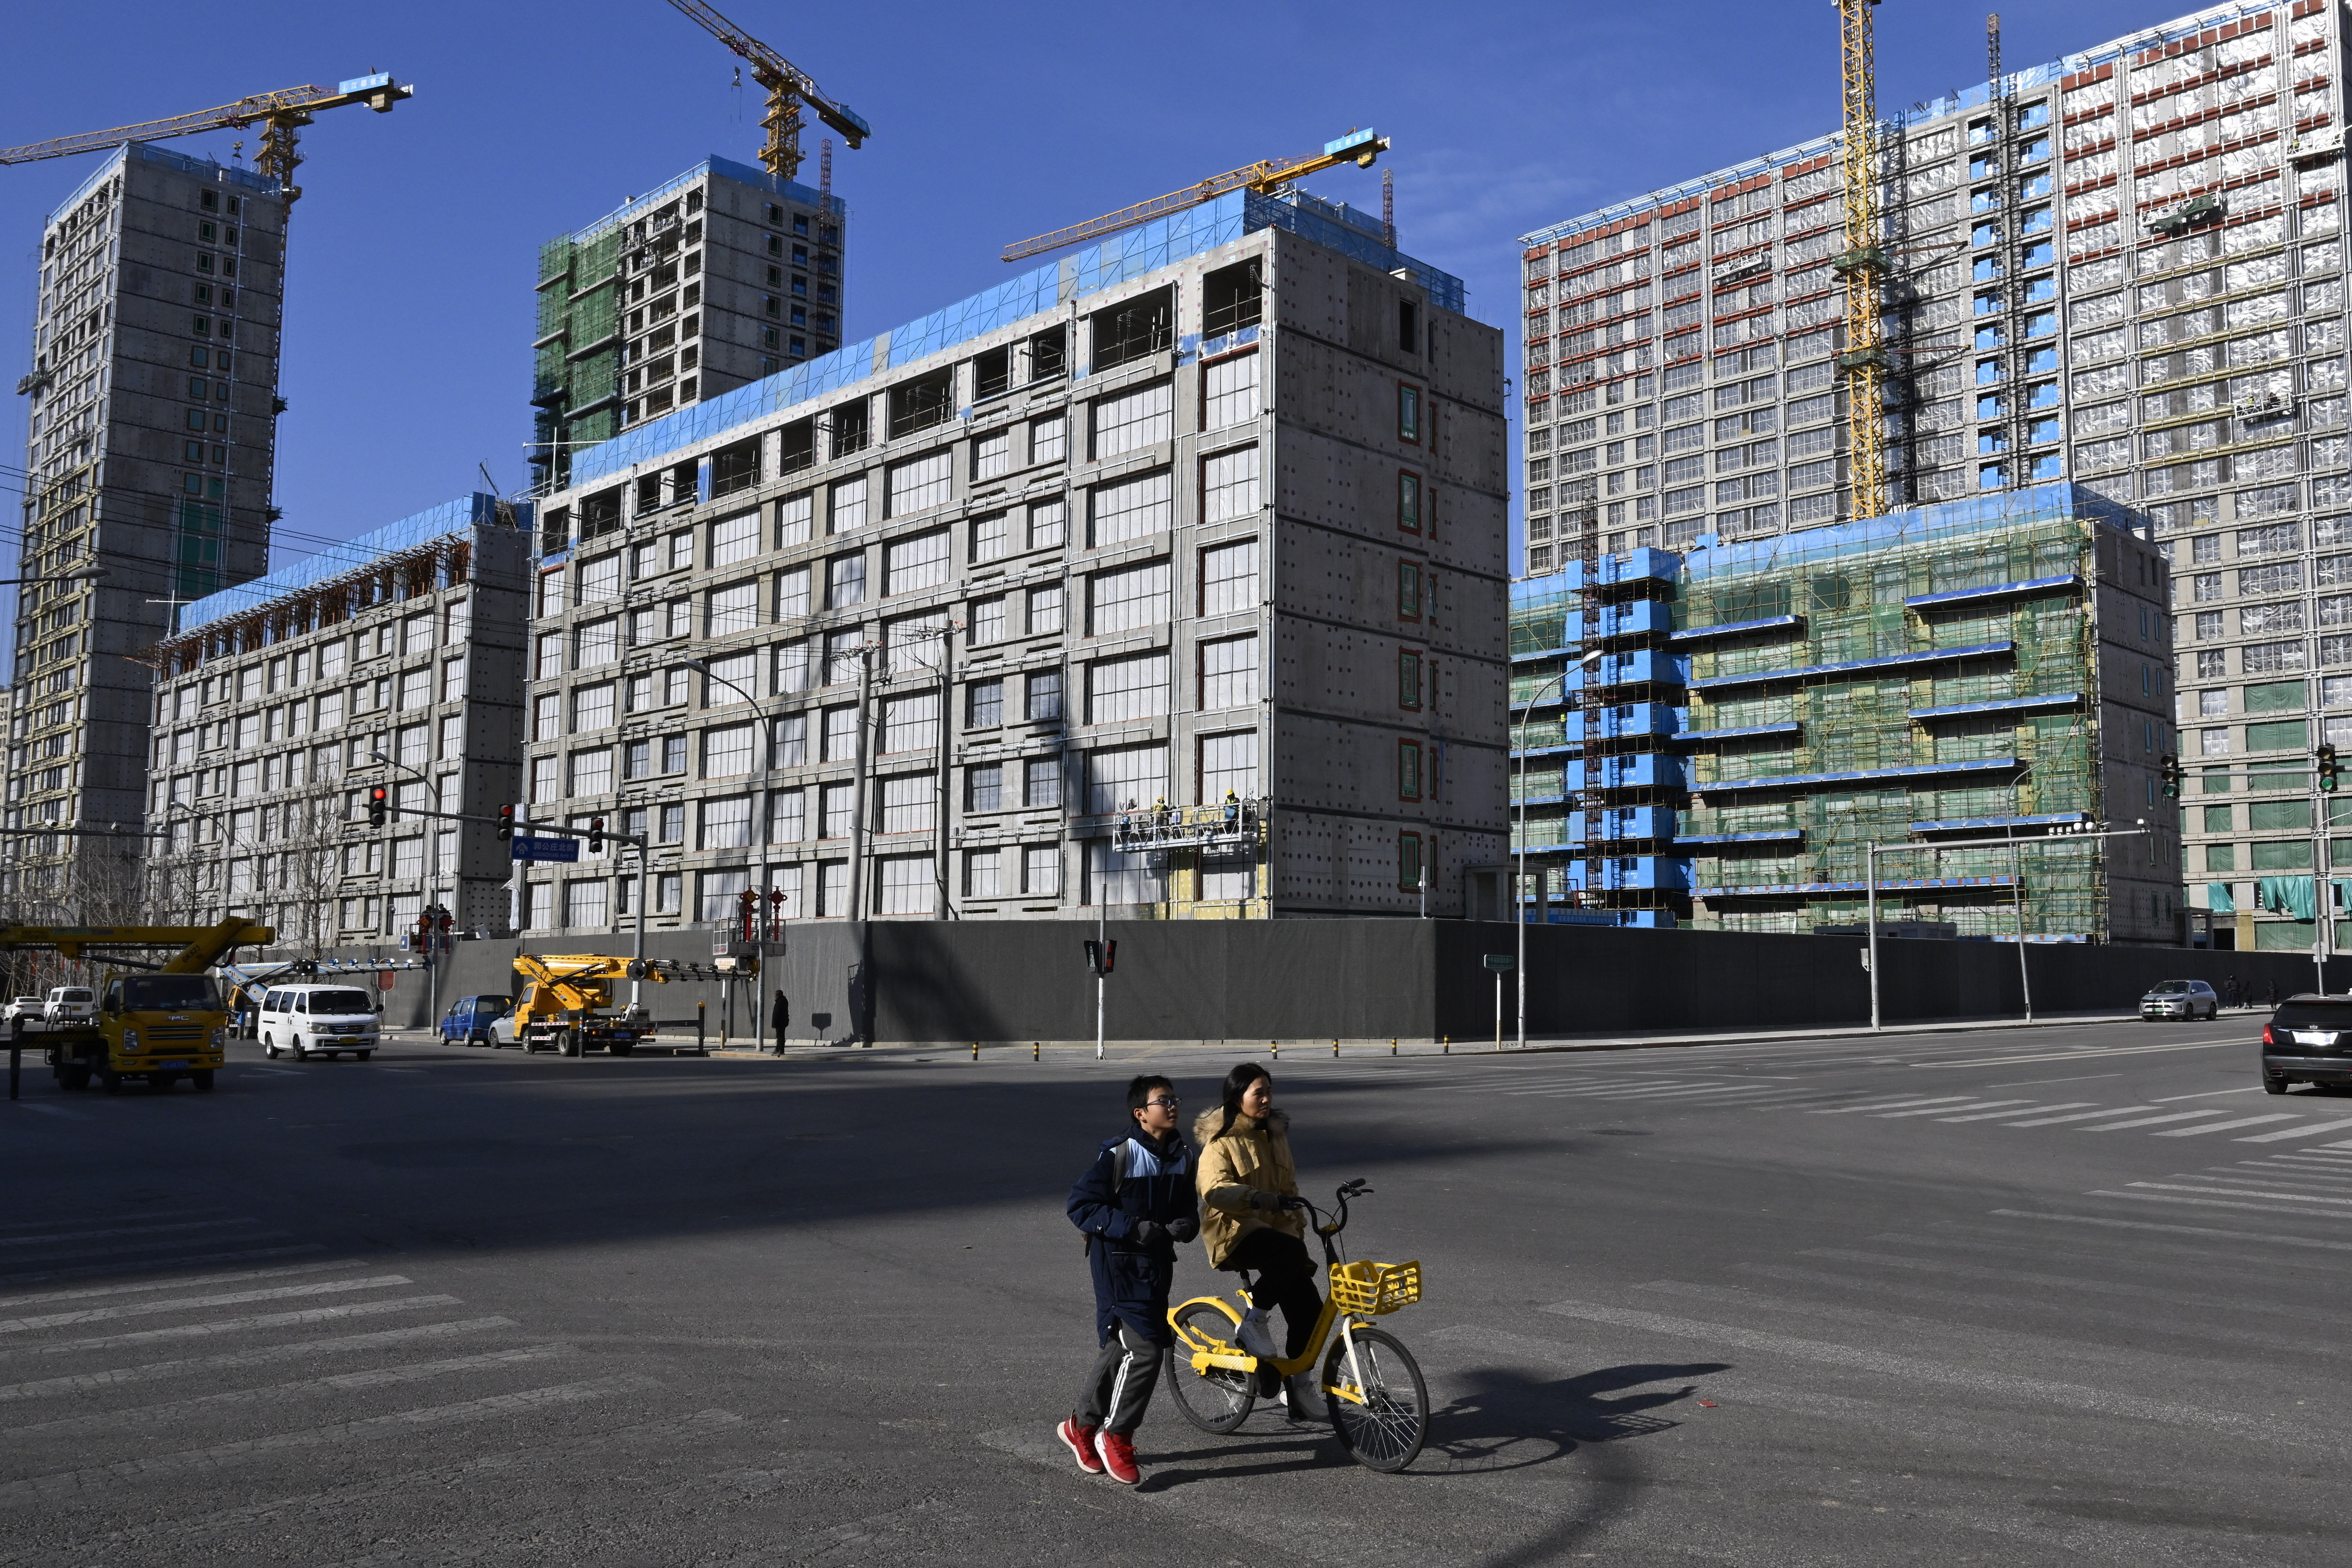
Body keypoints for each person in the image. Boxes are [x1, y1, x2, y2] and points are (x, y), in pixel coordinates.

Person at [1059, 1074, 1199, 1486]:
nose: (1172, 1105)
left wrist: (1185, 1226)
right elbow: (1081, 1205)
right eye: (1163, 1100)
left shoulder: (1183, 1156)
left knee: (1120, 1348)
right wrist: (1133, 1227)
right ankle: (1116, 1435)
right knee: (1147, 1351)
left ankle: (1080, 1427)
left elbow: (1189, 1208)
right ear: (1141, 1113)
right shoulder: (1119, 1154)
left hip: (1156, 1265)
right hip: (1117, 1264)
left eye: (1174, 1098)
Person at [1194, 1062, 1327, 1421]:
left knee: (1311, 1313)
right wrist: (1254, 1197)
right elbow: (1214, 1190)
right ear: (1238, 1098)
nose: (1267, 1099)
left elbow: (1289, 1190)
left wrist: (1297, 1222)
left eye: (1269, 1091)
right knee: (1288, 1253)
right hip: (1234, 1230)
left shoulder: (1276, 1135)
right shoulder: (1220, 1140)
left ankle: (1299, 1390)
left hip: (1275, 1236)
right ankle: (1254, 1321)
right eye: (1259, 1093)